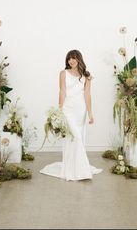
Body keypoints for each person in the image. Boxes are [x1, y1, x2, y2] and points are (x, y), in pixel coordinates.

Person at [40, 49, 102, 181]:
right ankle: (79, 170)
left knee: (77, 138)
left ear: (79, 59)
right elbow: (62, 91)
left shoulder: (86, 76)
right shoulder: (63, 73)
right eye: (69, 58)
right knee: (74, 137)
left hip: (80, 110)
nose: (71, 61)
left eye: (73, 58)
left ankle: (76, 167)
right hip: (68, 109)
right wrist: (59, 109)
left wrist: (90, 113)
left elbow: (87, 95)